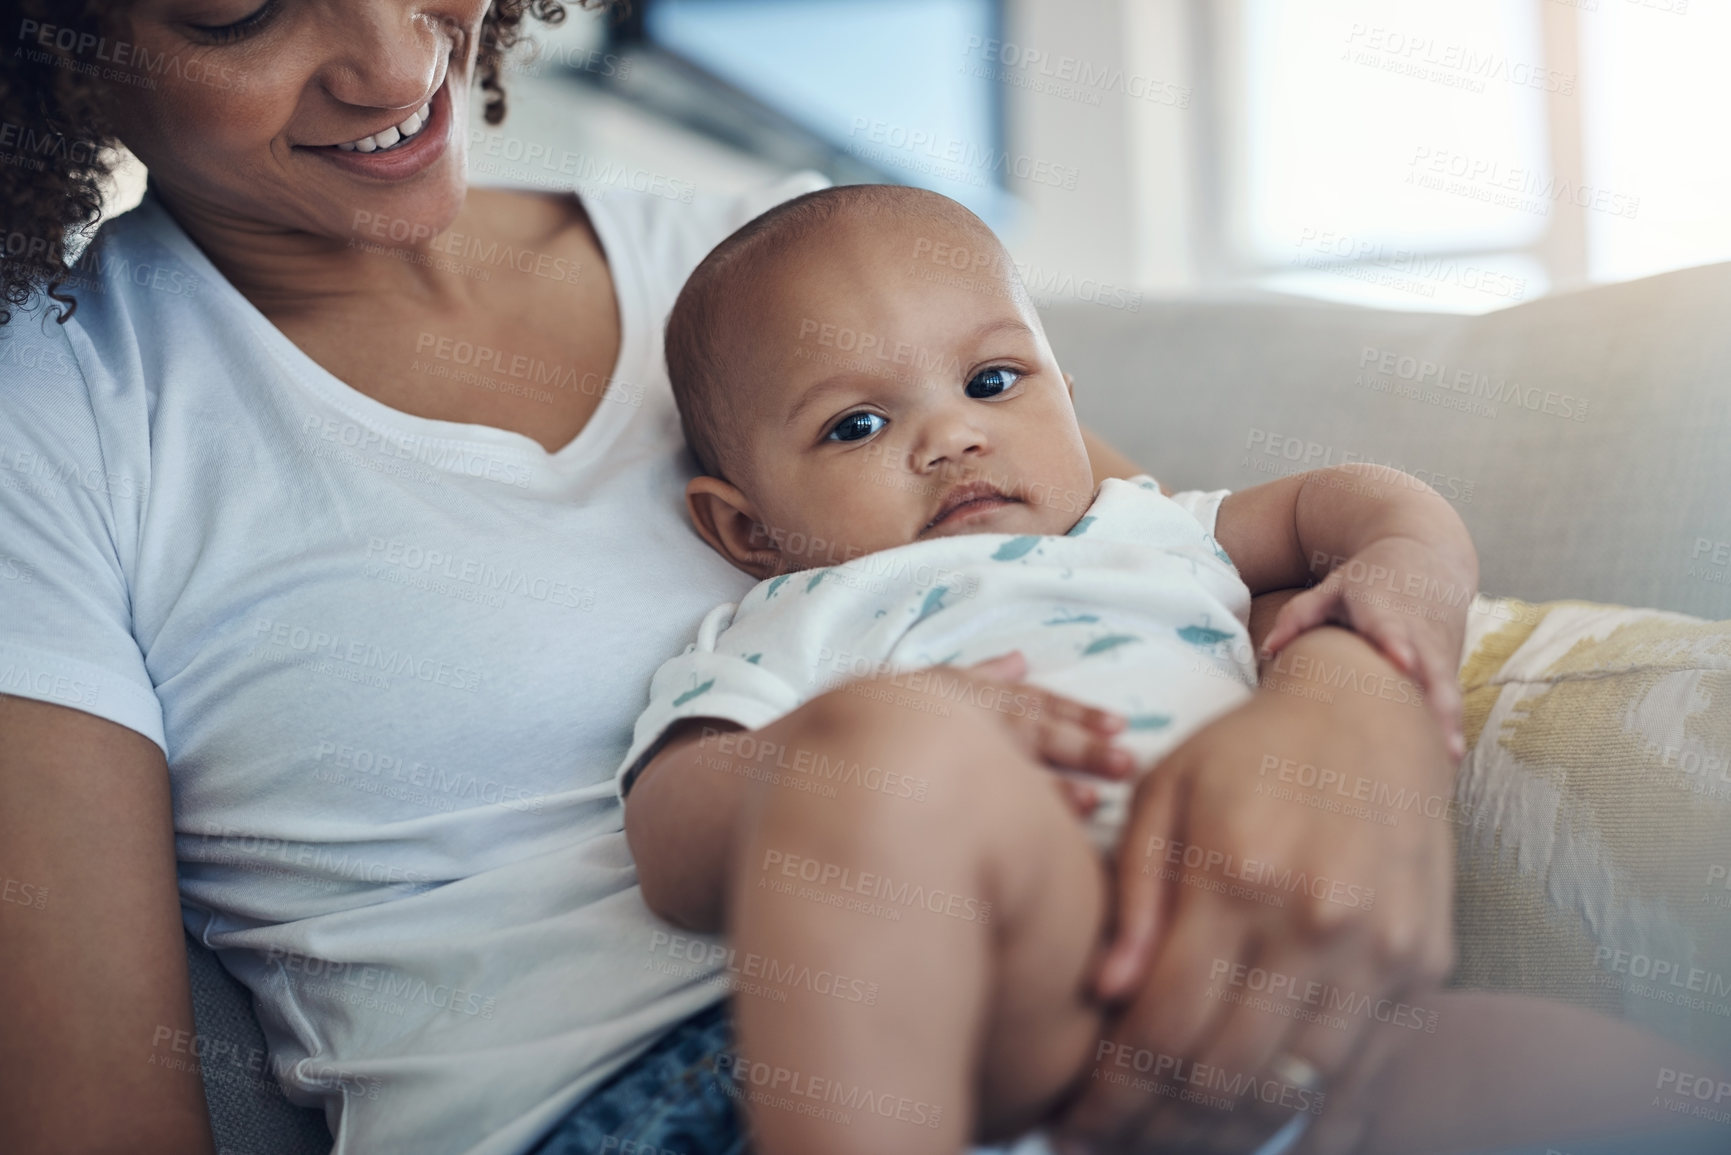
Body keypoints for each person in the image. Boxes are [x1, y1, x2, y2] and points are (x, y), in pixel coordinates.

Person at [0, 3, 1470, 1153]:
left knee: (1537, 1073)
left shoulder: (778, 266)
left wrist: (1352, 717)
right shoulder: (56, 412)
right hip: (641, 1097)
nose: (392, 60)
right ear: (53, 53)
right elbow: (100, 1111)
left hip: (1075, 981)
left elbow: (1135, 562)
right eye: (237, 11)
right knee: (885, 752)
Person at [618, 183, 1477, 1154]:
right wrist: (869, 742)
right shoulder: (804, 611)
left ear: (1068, 402)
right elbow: (668, 833)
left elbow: (1347, 499)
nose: (952, 437)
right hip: (1025, 992)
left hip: (1276, 981)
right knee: (878, 746)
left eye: (991, 381)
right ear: (746, 530)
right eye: (856, 425)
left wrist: (1414, 568)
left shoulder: (1148, 524)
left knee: (1587, 1076)